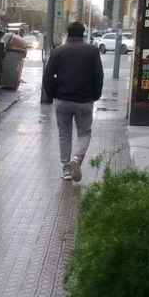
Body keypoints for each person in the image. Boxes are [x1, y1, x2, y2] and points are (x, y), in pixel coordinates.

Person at [43, 22, 103, 182]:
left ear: (68, 34)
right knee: (84, 133)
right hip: (85, 100)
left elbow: (48, 76)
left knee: (64, 134)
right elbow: (99, 75)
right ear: (83, 34)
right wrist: (95, 95)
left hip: (63, 100)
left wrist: (52, 95)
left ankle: (66, 170)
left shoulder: (58, 51)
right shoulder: (92, 51)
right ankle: (77, 159)